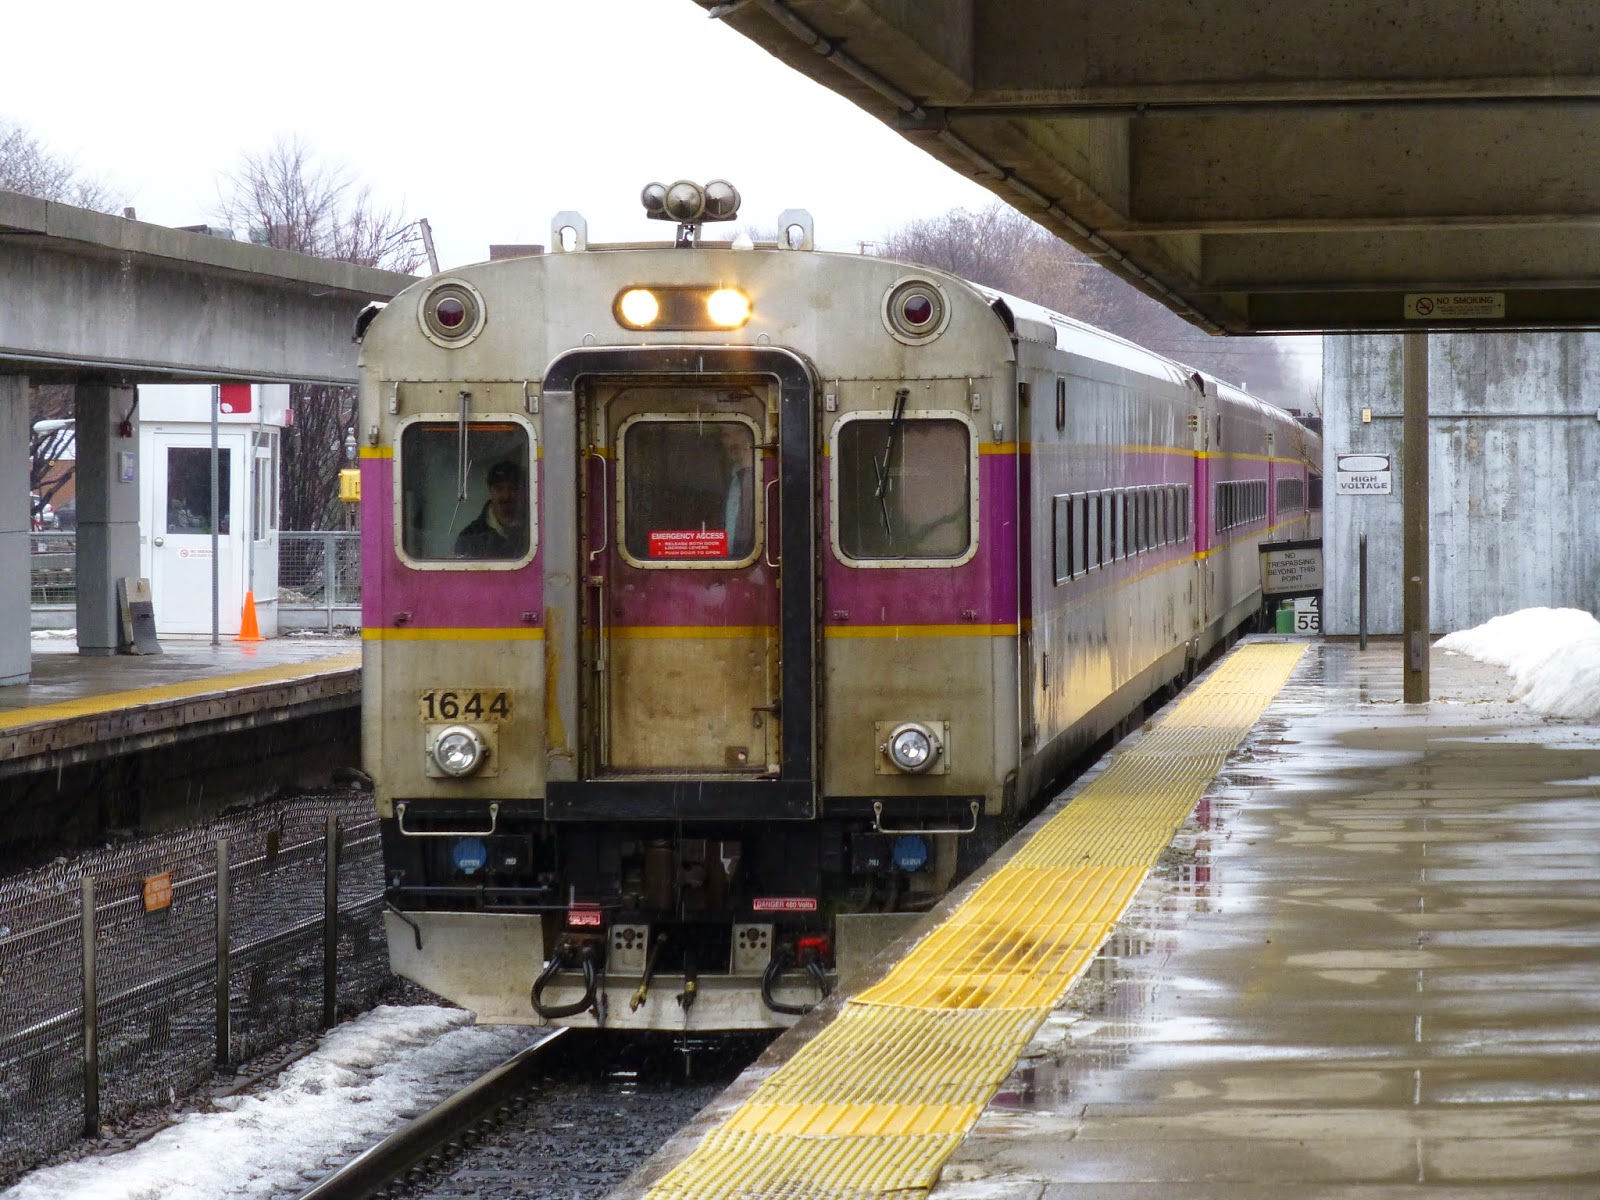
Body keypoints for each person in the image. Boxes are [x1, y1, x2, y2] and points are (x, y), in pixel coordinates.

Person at [454, 460, 529, 558]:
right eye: (499, 489)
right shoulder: (469, 538)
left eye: (512, 489)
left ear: (521, 492)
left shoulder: (533, 532)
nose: (506, 496)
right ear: (490, 492)